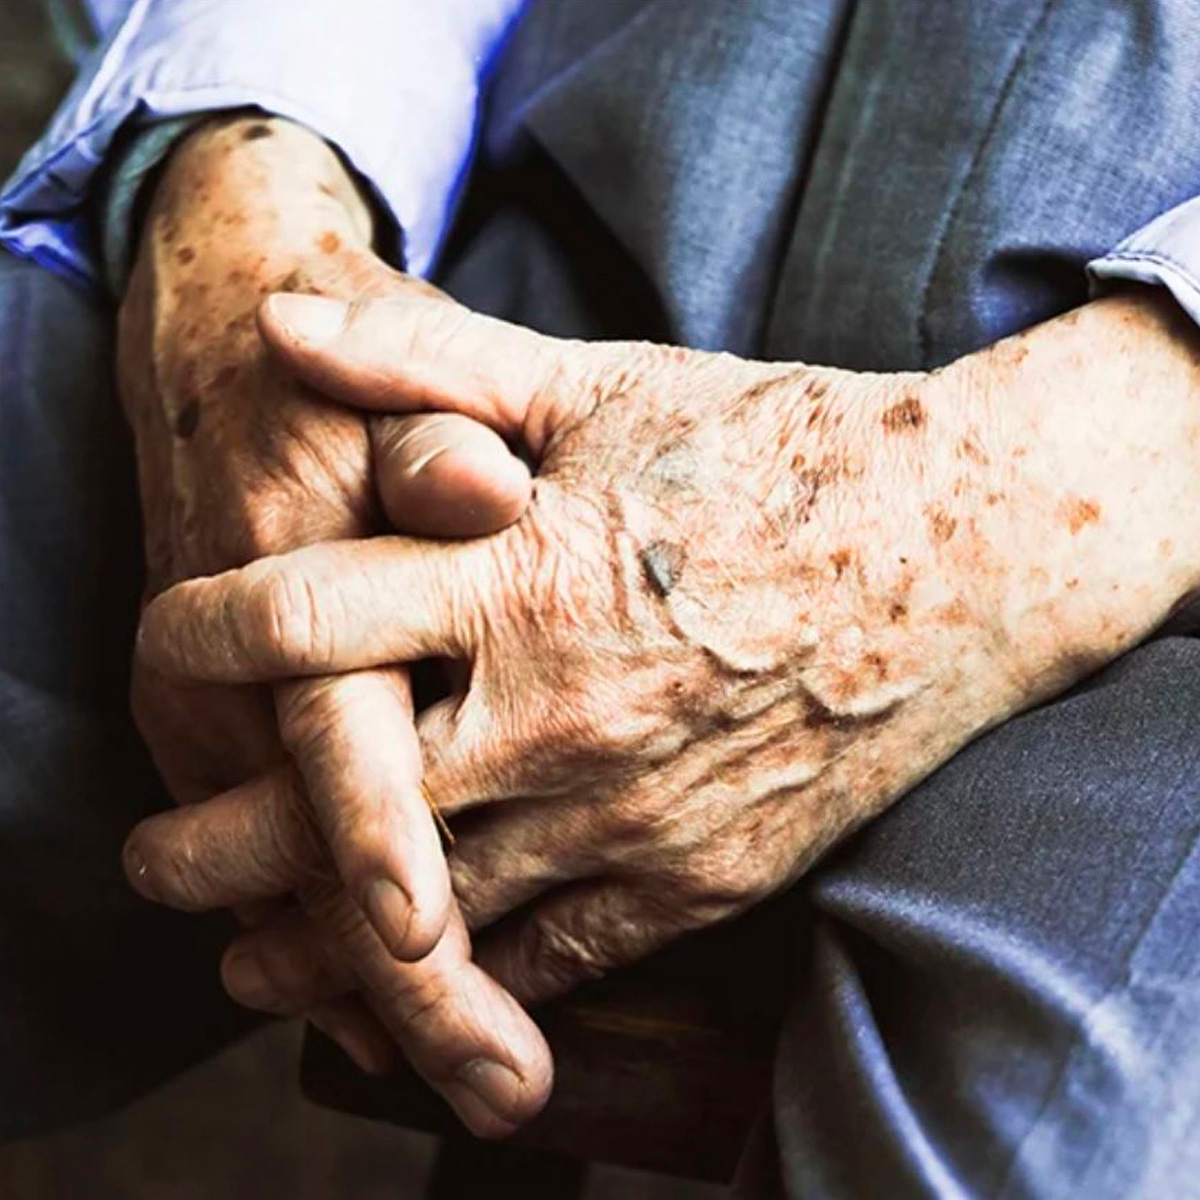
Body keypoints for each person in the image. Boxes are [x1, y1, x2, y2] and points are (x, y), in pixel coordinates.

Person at [5, 1, 1200, 1195]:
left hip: (1153, 513)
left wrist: (1023, 487)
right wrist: (253, 217)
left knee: (1054, 1155)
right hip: (493, 258)